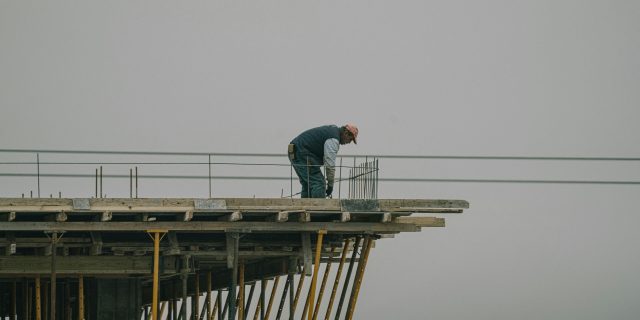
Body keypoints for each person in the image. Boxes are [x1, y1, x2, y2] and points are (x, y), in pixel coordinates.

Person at [288, 124, 358, 198]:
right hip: (302, 152)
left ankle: (307, 206)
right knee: (319, 183)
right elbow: (329, 164)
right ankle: (317, 208)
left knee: (308, 184)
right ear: (346, 133)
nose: (349, 142)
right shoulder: (333, 139)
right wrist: (330, 185)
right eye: (350, 139)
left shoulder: (332, 131)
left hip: (295, 150)